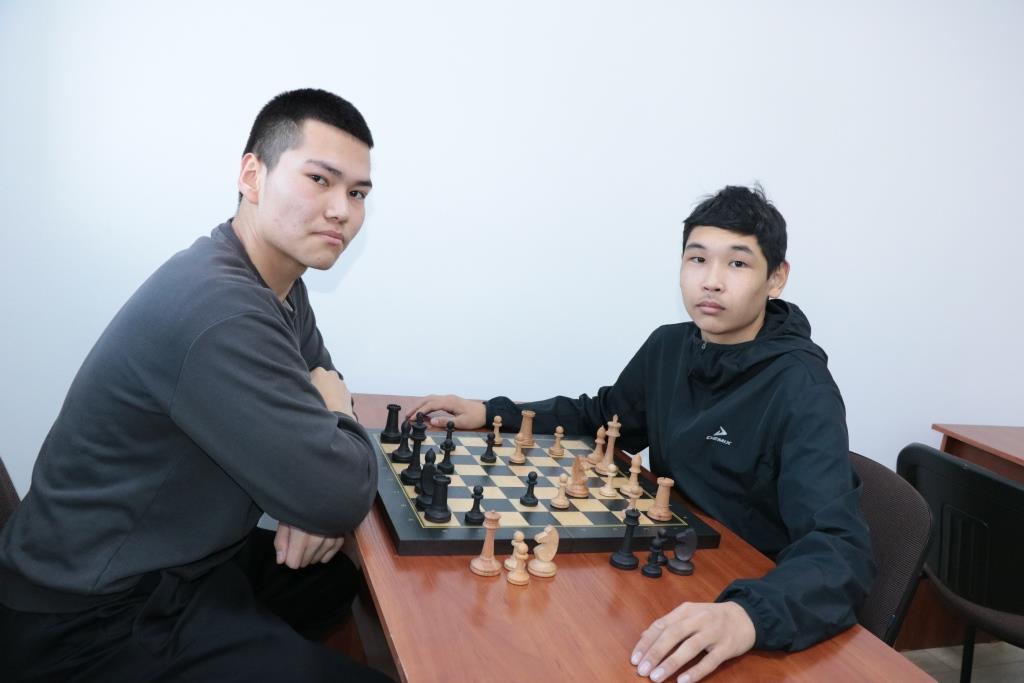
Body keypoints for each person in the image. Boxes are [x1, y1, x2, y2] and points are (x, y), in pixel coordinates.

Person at [407, 186, 874, 683]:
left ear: (776, 278)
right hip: (670, 561)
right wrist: (490, 410)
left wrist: (746, 616)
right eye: (697, 259)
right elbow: (601, 417)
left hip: (744, 597)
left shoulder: (803, 388)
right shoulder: (671, 346)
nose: (711, 281)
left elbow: (840, 548)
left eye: (738, 263)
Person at [0, 89, 392, 682]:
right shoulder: (222, 309)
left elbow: (323, 405)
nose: (342, 210)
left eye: (358, 193)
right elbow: (336, 472)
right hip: (89, 618)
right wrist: (323, 467)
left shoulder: (275, 282)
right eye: (320, 179)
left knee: (333, 581)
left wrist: (319, 479)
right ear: (252, 175)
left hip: (181, 563)